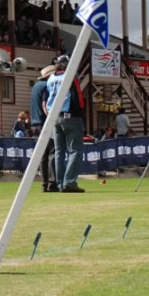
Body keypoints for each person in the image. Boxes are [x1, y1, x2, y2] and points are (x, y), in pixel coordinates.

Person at [45, 56, 87, 193]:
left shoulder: (51, 78)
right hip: (70, 115)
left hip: (54, 116)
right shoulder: (70, 76)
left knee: (59, 152)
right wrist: (80, 113)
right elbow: (78, 97)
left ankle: (60, 182)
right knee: (75, 150)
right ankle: (69, 182)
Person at [29, 64, 56, 190]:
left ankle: (44, 183)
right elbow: (46, 105)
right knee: (52, 152)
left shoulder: (35, 87)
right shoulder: (47, 86)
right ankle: (52, 182)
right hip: (45, 122)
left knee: (42, 155)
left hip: (35, 123)